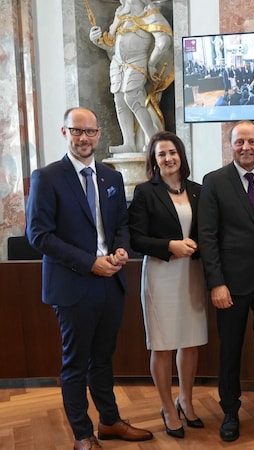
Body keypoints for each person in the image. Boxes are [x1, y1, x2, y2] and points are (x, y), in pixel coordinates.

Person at [25, 107, 153, 450]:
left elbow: (121, 225)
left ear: (99, 134)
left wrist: (122, 250)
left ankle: (109, 421)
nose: (85, 138)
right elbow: (39, 235)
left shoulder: (110, 178)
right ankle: (83, 435)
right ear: (64, 132)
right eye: (77, 131)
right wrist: (90, 263)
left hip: (110, 283)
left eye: (91, 132)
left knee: (104, 358)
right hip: (72, 284)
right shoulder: (47, 177)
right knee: (75, 363)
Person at [198, 120, 254, 442]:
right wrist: (216, 283)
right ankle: (229, 411)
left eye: (252, 141)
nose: (246, 147)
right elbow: (207, 237)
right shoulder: (214, 182)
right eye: (240, 142)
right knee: (231, 351)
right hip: (231, 285)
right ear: (231, 145)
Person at [128, 131, 207, 439]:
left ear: (181, 155)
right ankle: (166, 406)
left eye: (172, 152)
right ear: (154, 160)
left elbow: (208, 231)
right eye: (161, 154)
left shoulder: (199, 190)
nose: (168, 158)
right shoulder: (145, 192)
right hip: (161, 274)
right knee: (162, 344)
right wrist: (170, 245)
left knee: (190, 340)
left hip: (193, 275)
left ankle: (185, 399)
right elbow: (136, 238)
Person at [89, 0, 173, 153]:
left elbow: (164, 41)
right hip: (118, 63)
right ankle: (128, 143)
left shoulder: (150, 13)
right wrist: (97, 41)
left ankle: (154, 140)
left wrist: (152, 62)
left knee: (132, 96)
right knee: (119, 99)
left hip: (138, 61)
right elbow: (111, 46)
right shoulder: (120, 15)